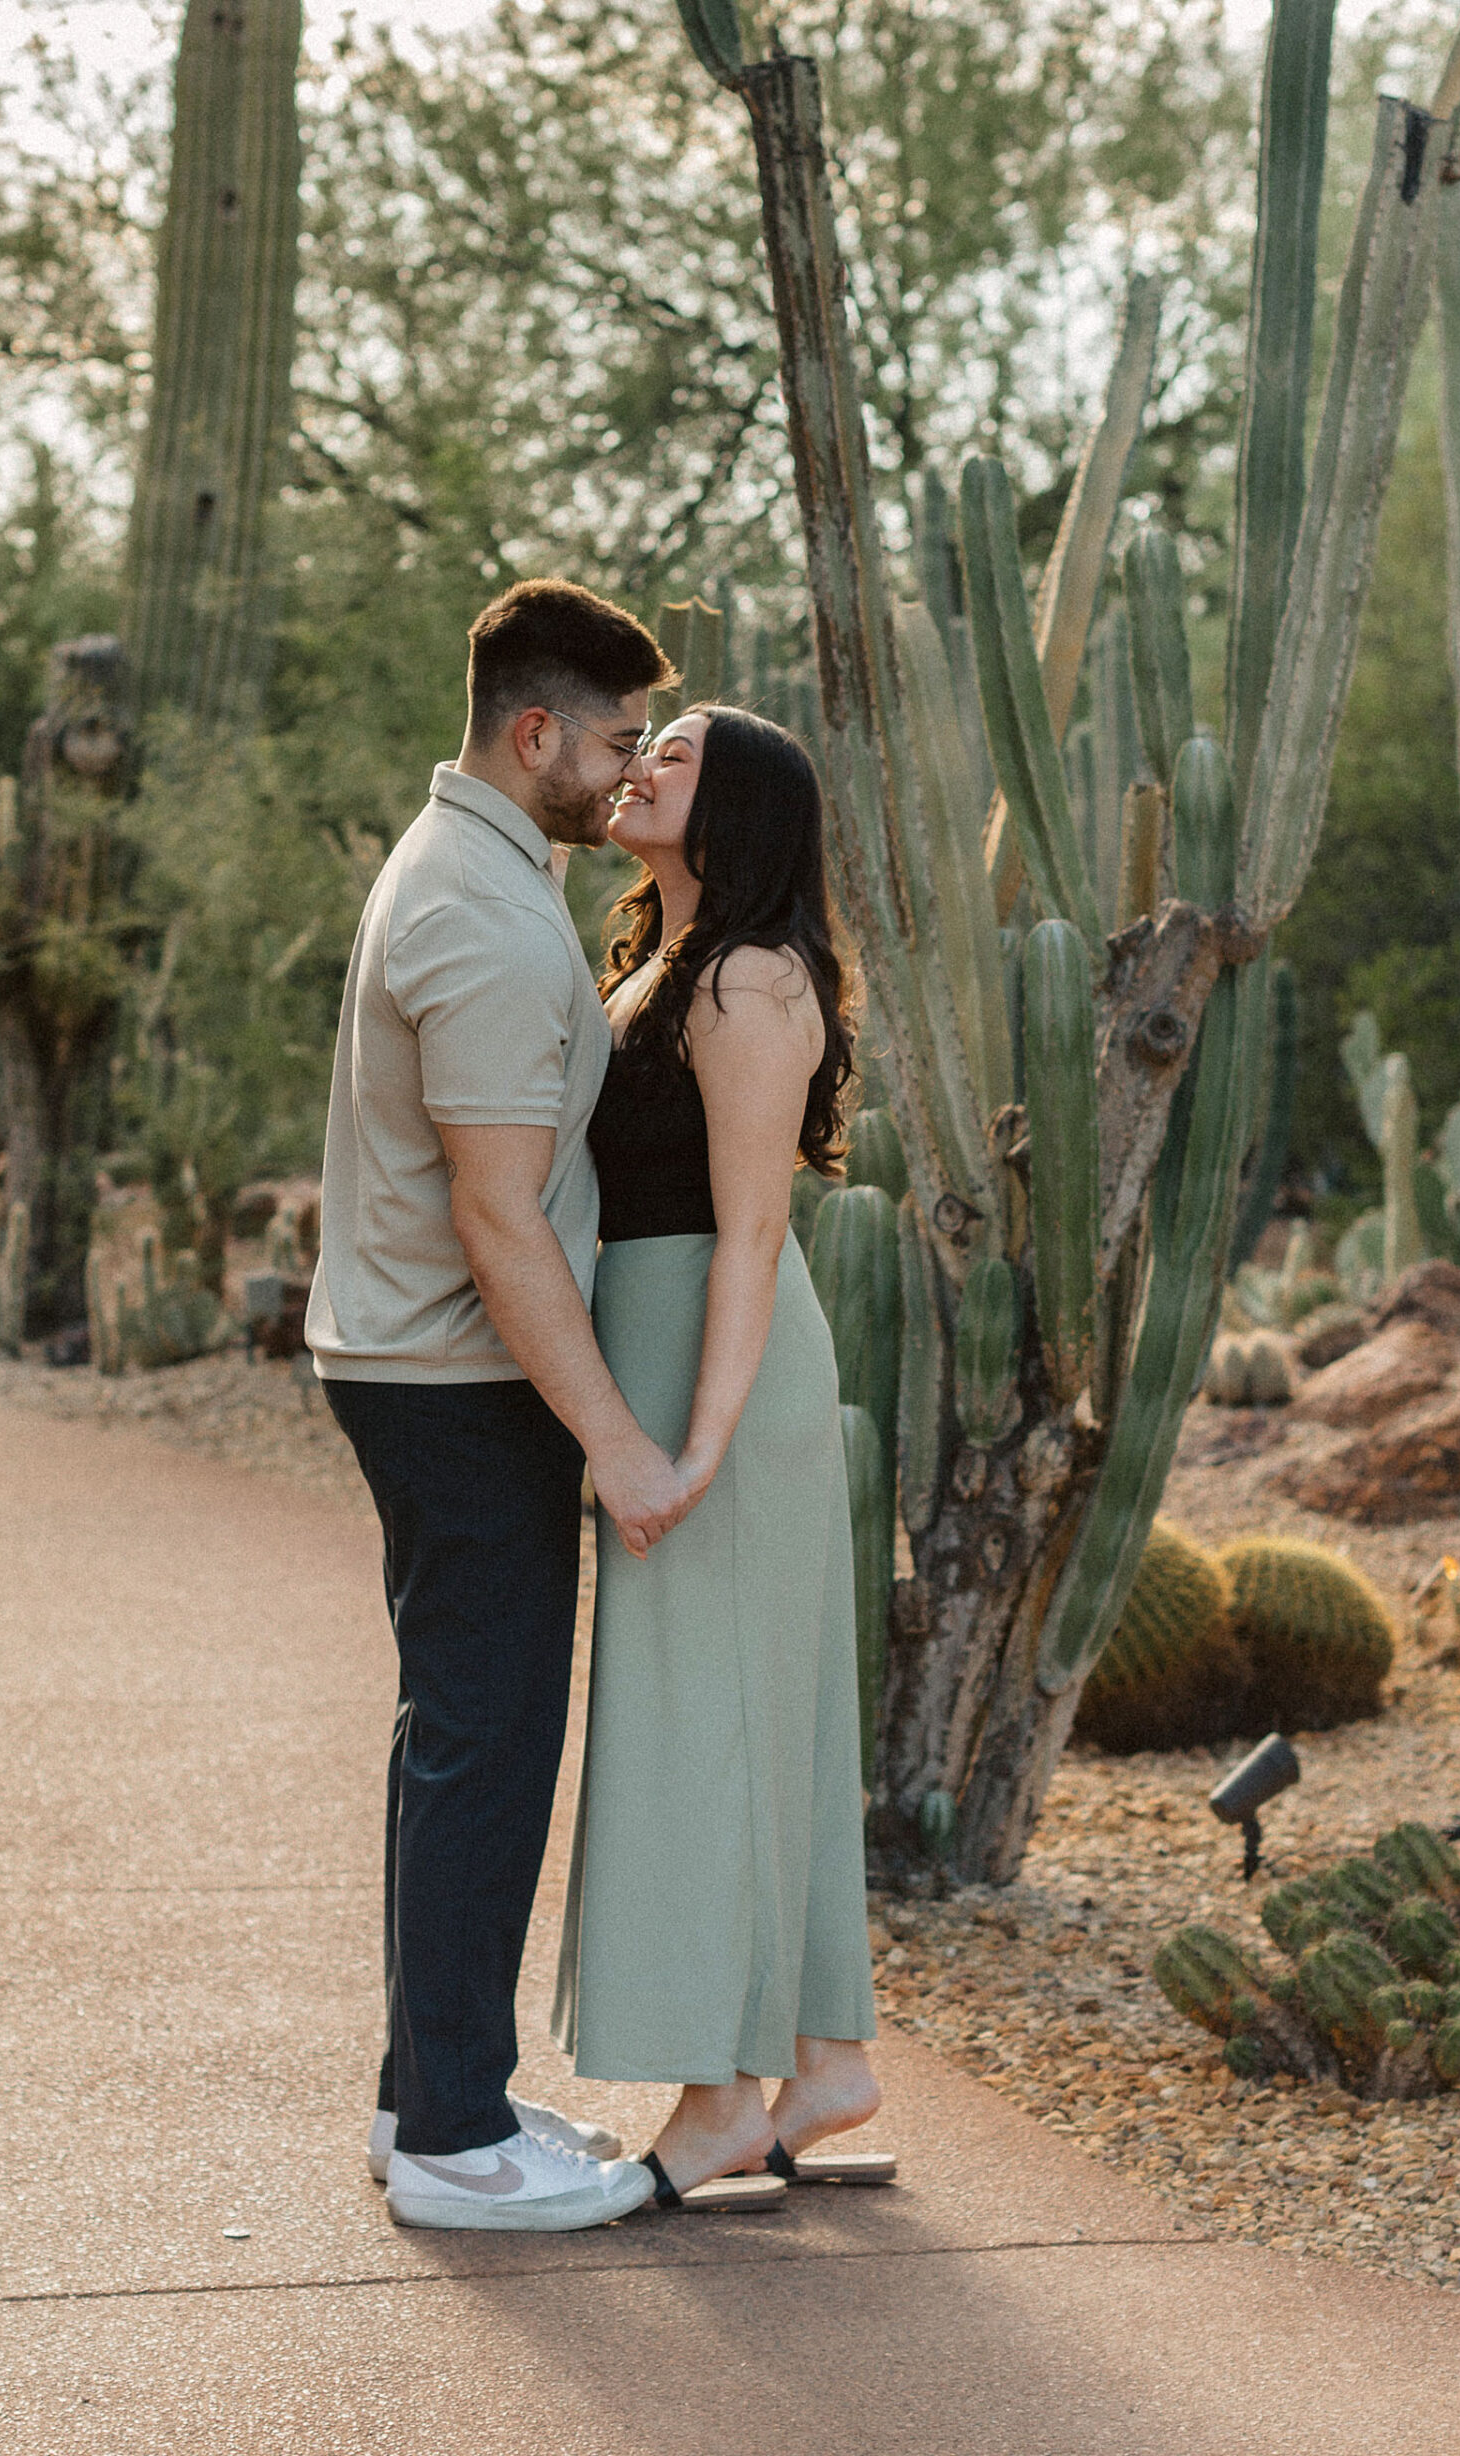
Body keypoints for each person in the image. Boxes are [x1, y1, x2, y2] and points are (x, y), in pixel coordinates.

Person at [307, 579, 698, 2234]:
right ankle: (458, 2148)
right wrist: (613, 1434)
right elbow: (497, 1212)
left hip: (432, 1365)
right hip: (456, 1377)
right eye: (614, 739)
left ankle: (434, 2094)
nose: (628, 769)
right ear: (532, 732)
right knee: (486, 1742)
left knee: (458, 1740)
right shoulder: (471, 904)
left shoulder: (487, 864)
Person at [552, 703, 888, 2208]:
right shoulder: (665, 966)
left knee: (715, 1729)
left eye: (674, 756)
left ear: (739, 806)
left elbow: (752, 1232)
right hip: (668, 1346)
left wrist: (695, 1444)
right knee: (747, 1716)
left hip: (720, 1366)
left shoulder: (750, 981)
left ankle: (720, 2102)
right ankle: (820, 2068)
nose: (640, 768)